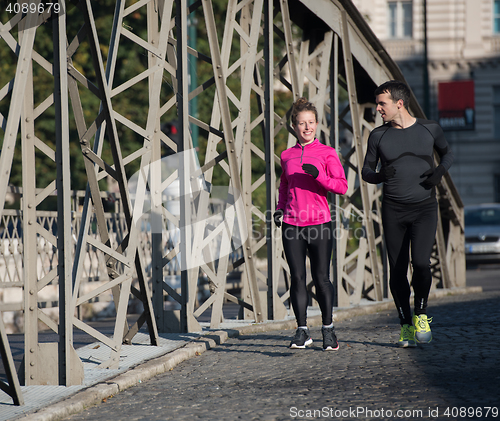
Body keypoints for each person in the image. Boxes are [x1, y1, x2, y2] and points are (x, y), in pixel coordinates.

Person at [362, 80, 454, 347]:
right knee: (398, 270)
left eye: (382, 103)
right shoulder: (378, 136)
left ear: (399, 103)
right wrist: (379, 175)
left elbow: (447, 154)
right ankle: (405, 327)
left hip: (425, 208)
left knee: (422, 264)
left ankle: (421, 315)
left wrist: (439, 172)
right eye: (378, 103)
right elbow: (366, 171)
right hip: (393, 210)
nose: (378, 108)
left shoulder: (430, 128)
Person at [273, 97, 348, 350]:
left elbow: (342, 186)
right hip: (292, 224)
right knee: (296, 277)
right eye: (302, 123)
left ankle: (328, 331)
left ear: (316, 124)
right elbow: (284, 184)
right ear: (293, 126)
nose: (307, 128)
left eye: (311, 123)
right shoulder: (287, 155)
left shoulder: (327, 153)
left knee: (321, 278)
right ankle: (302, 330)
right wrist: (279, 209)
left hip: (319, 224)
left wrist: (321, 177)